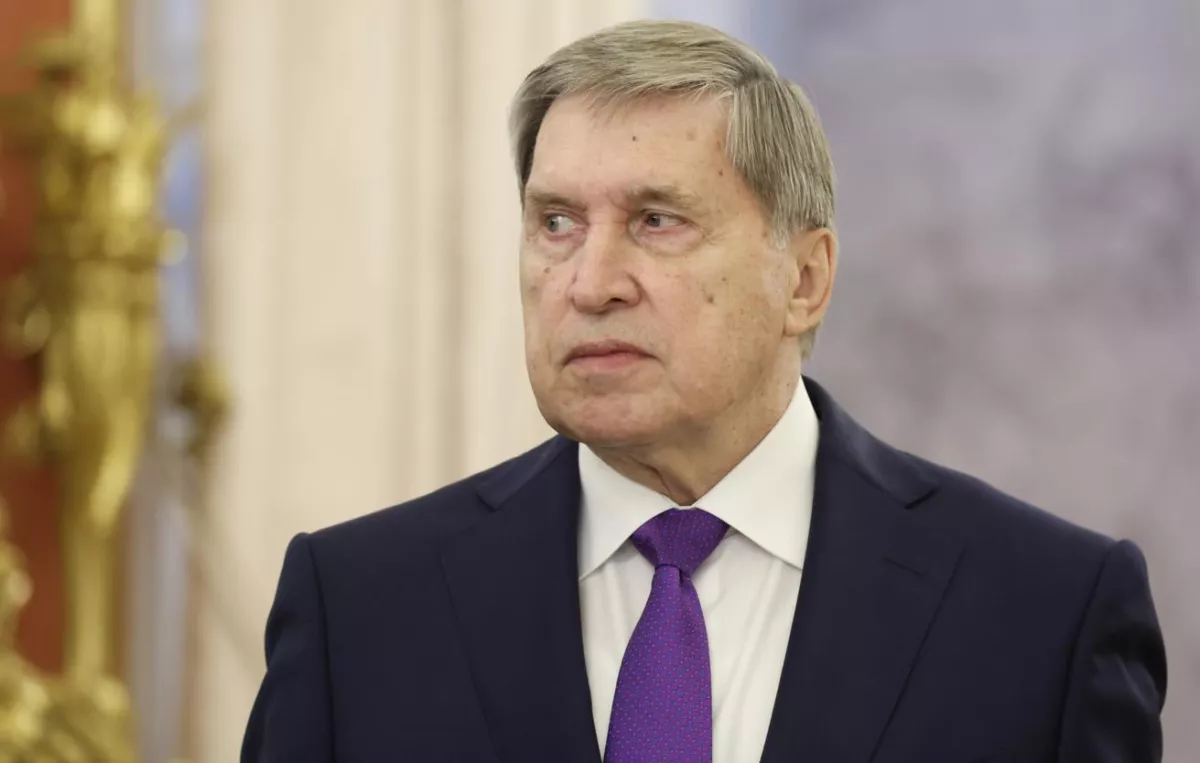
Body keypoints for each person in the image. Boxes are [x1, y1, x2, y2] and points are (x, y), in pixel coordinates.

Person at [241, 20, 1167, 763]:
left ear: (804, 279)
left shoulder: (1044, 614)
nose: (590, 282)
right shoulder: (360, 608)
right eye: (556, 222)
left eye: (657, 220)